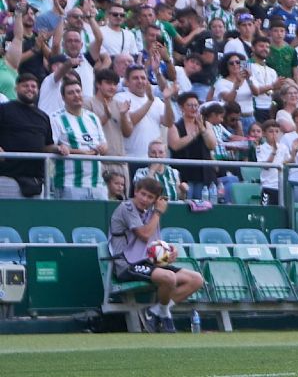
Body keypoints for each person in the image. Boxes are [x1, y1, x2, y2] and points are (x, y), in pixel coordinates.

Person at [108, 176, 207, 332]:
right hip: (126, 264)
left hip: (147, 263)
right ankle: (162, 313)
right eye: (143, 194)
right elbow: (145, 234)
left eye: (150, 197)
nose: (145, 199)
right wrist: (158, 212)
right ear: (135, 192)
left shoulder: (151, 213)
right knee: (169, 278)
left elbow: (154, 243)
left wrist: (169, 251)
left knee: (196, 279)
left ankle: (156, 311)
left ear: (155, 200)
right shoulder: (126, 208)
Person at [51, 75, 110, 199]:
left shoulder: (92, 117)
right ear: (63, 97)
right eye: (71, 93)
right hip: (69, 184)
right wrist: (78, 152)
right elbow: (50, 147)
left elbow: (104, 145)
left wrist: (103, 148)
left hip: (97, 184)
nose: (76, 95)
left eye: (78, 91)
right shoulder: (55, 118)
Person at [0, 72, 53, 197]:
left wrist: (60, 148)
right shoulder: (4, 109)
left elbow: (47, 146)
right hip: (8, 177)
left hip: (36, 180)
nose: (30, 89)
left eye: (33, 86)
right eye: (25, 86)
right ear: (16, 88)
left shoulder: (44, 117)